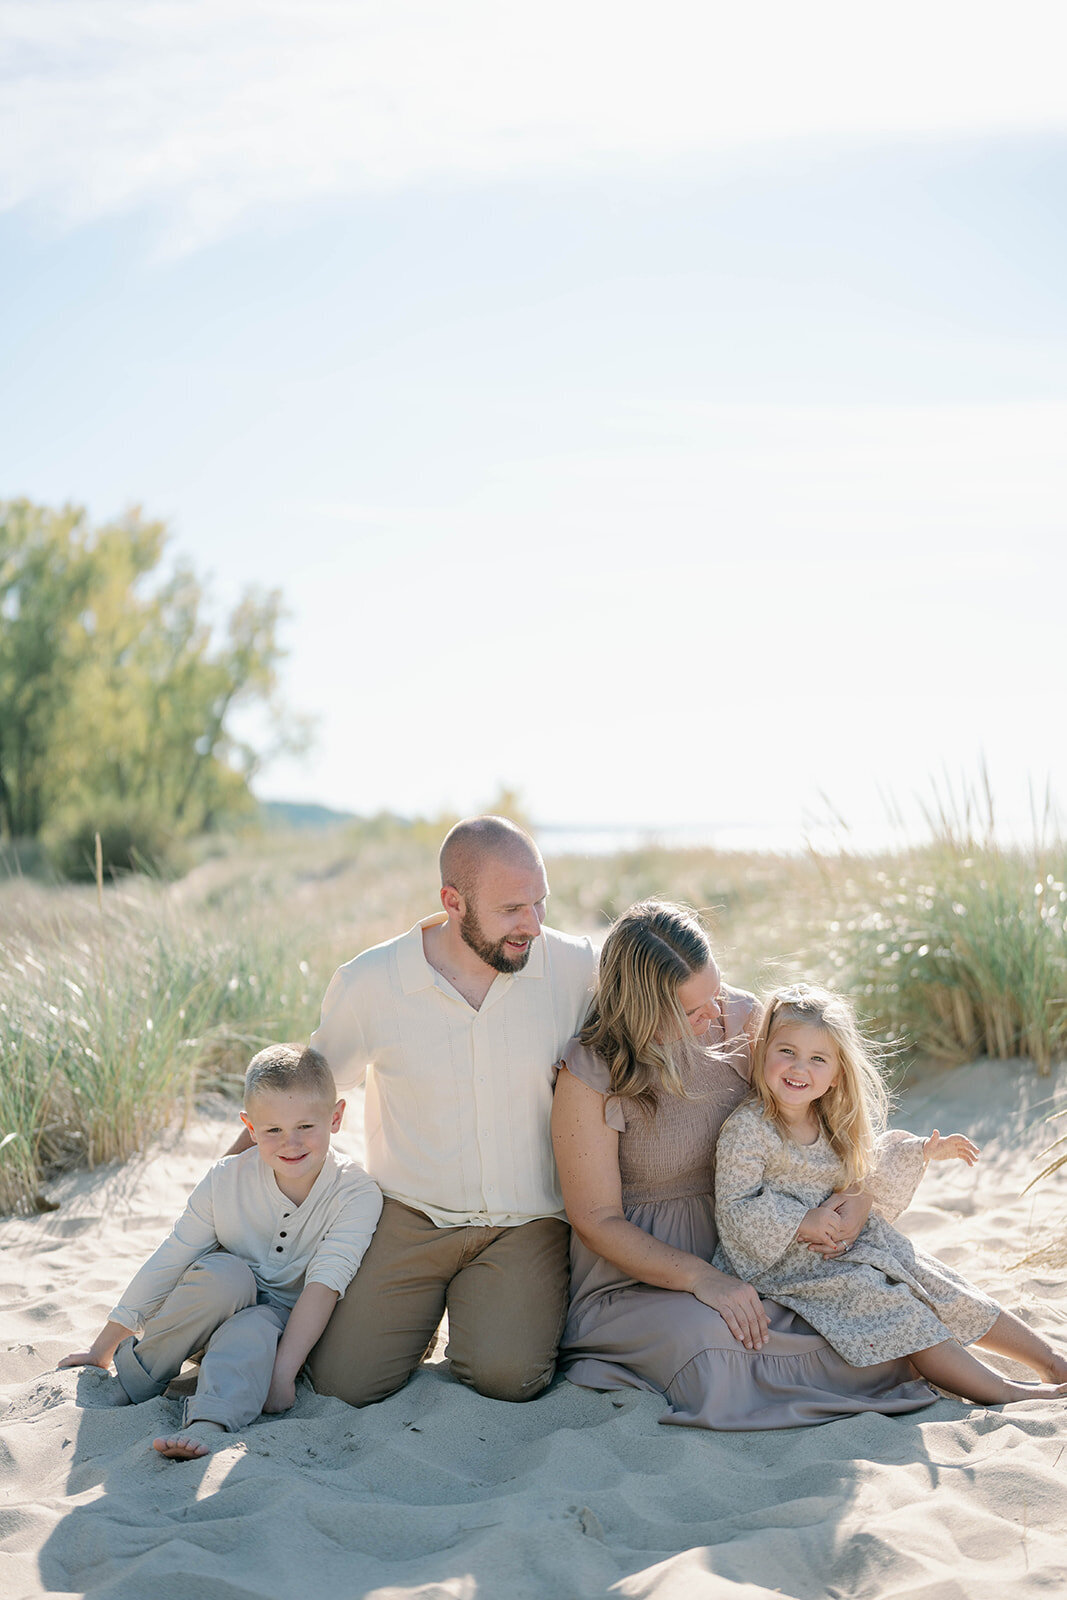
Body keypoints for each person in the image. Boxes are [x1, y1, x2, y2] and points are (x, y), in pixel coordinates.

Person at [552, 900, 939, 1428]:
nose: (715, 1014)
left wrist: (855, 1195)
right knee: (718, 1351)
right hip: (636, 1277)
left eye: (715, 990)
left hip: (755, 1245)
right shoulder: (592, 1069)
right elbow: (596, 1219)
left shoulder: (742, 1018)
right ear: (644, 1008)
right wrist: (701, 1279)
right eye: (693, 1010)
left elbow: (821, 1113)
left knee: (871, 1299)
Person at [302, 815, 596, 1406]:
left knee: (506, 1378)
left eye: (540, 903)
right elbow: (301, 1095)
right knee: (343, 1384)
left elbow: (670, 1019)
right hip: (409, 1214)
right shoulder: (372, 980)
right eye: (513, 909)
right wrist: (221, 1200)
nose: (533, 925)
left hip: (526, 1221)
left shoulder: (575, 968)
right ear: (452, 901)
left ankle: (479, 1307)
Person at [714, 983, 1067, 1404]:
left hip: (855, 1243)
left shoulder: (827, 1120)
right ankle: (1003, 1390)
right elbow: (734, 1204)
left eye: (818, 1059)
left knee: (937, 1280)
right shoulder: (749, 1128)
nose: (799, 1068)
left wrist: (921, 1150)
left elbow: (868, 1162)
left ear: (836, 1076)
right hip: (790, 1264)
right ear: (763, 1051)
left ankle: (1050, 1360)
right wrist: (800, 1220)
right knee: (895, 1304)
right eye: (786, 1051)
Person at [58, 1044, 382, 1460]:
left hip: (284, 1325)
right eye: (273, 1131)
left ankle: (209, 1420)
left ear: (335, 1117)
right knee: (225, 1276)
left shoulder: (356, 1192)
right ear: (249, 1127)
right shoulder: (226, 1178)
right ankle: (136, 1378)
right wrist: (104, 1344)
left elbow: (325, 1284)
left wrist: (282, 1376)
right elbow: (173, 1255)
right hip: (205, 1312)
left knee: (254, 1325)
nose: (292, 1143)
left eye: (306, 1126)